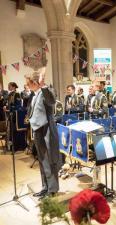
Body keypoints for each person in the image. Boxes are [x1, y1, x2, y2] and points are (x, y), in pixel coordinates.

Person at [25, 69, 60, 199]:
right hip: (38, 130)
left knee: (49, 160)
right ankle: (45, 187)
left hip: (47, 131)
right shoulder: (34, 95)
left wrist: (43, 85)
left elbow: (51, 101)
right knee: (42, 160)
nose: (27, 86)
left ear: (36, 82)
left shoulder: (46, 92)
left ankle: (52, 189)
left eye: (29, 83)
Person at [5, 82, 27, 151]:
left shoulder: (17, 94)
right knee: (12, 132)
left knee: (16, 132)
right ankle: (13, 146)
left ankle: (18, 146)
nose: (8, 87)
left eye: (9, 86)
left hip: (15, 116)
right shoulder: (10, 94)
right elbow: (9, 104)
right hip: (11, 115)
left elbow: (18, 106)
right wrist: (6, 107)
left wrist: (10, 109)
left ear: (14, 87)